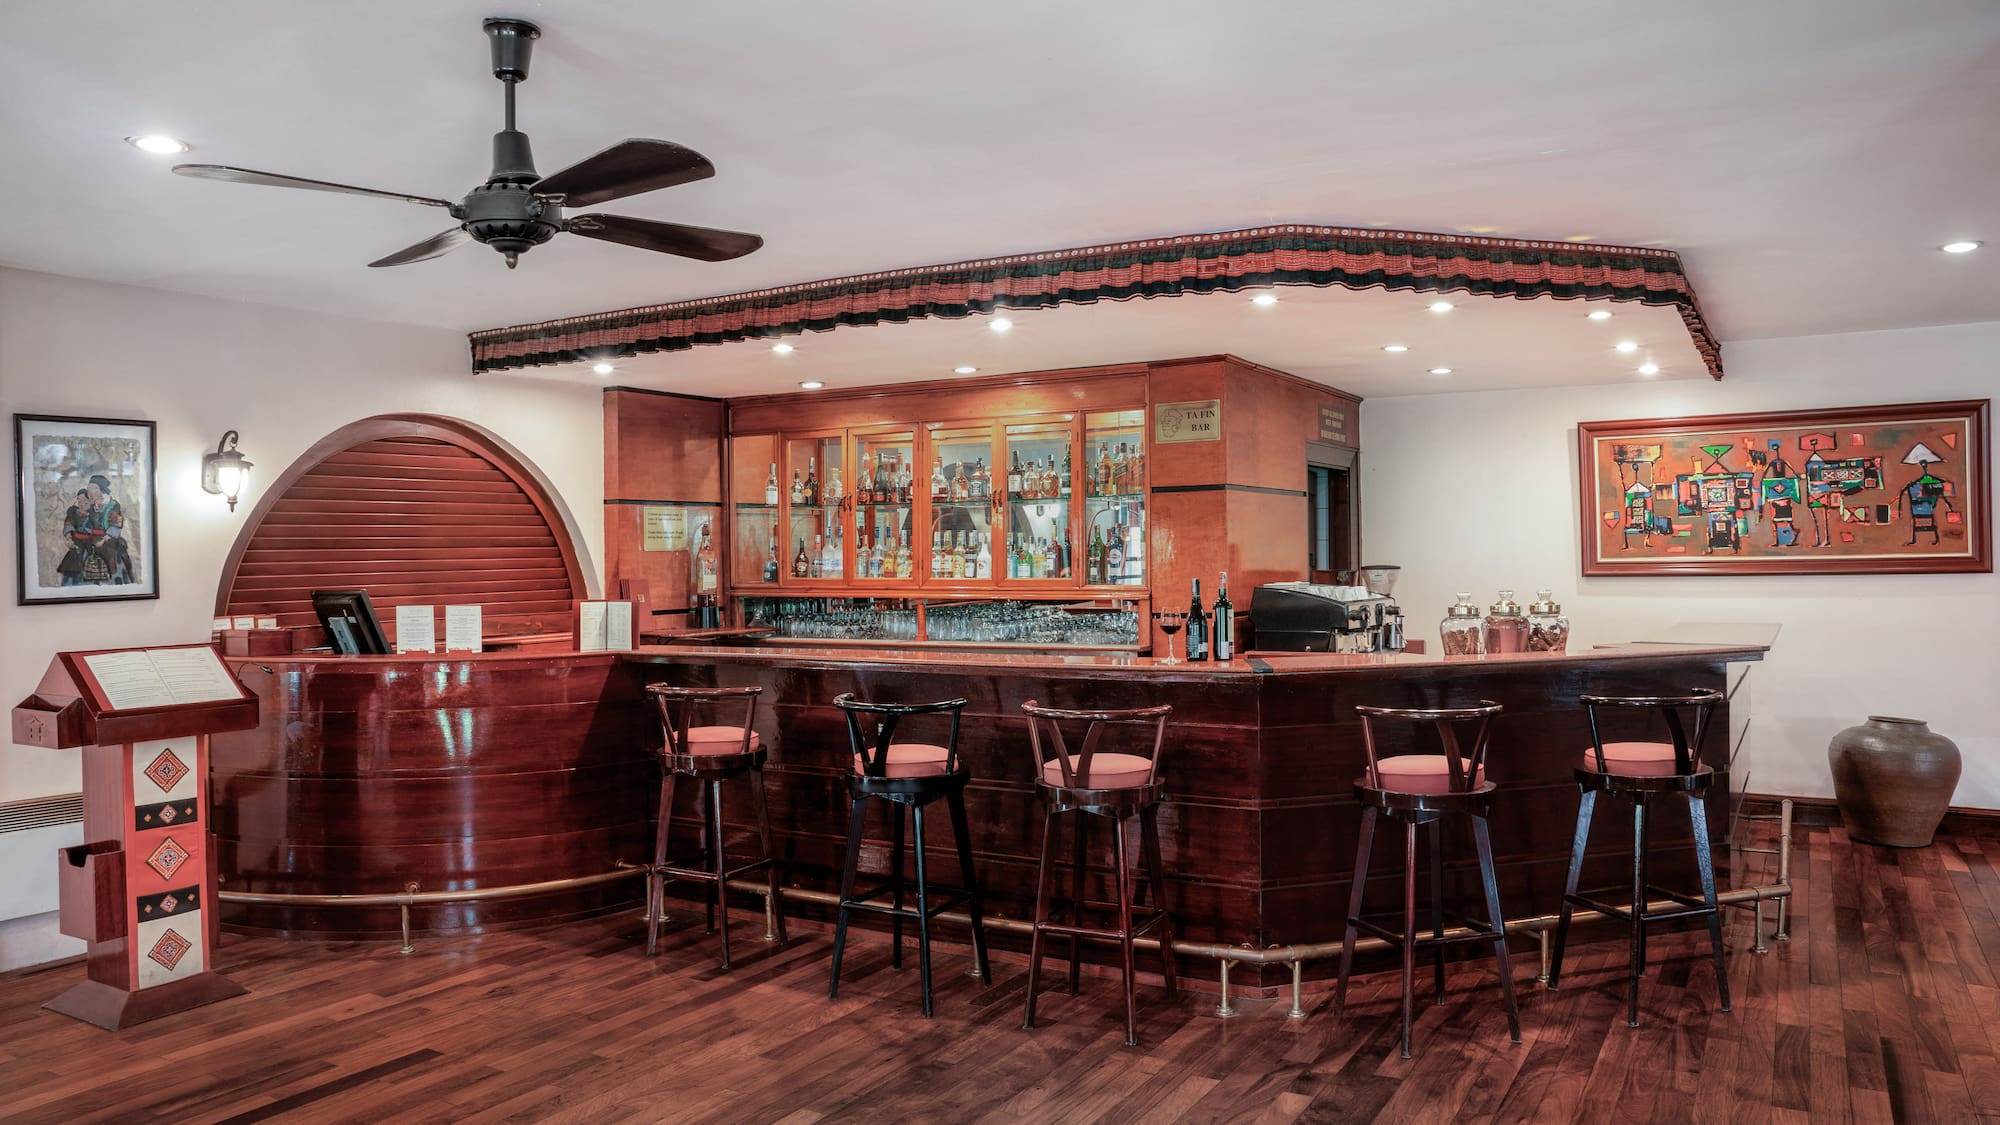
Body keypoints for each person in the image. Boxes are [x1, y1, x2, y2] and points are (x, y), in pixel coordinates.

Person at [58, 489, 99, 585]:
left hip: (89, 547)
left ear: (91, 502)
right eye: (79, 501)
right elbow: (68, 525)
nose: (81, 504)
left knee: (89, 570)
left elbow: (98, 531)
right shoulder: (73, 513)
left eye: (85, 502)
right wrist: (68, 538)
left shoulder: (95, 515)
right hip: (76, 546)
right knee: (71, 570)